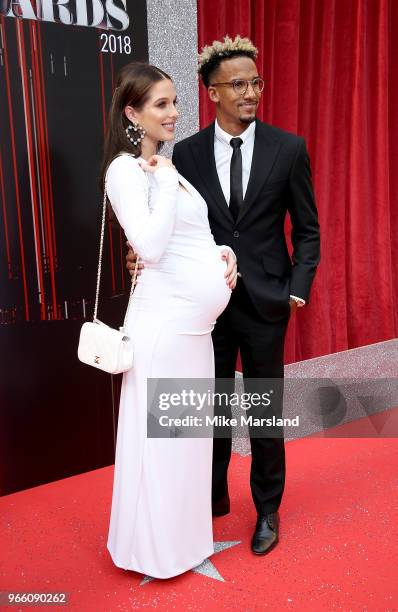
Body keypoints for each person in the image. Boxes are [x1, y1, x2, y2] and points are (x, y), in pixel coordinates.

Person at [128, 36, 320, 556]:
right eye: (239, 84)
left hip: (265, 302)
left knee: (262, 414)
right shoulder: (184, 153)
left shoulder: (288, 148)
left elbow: (307, 229)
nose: (251, 92)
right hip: (202, 307)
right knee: (205, 412)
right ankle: (210, 498)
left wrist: (297, 289)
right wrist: (143, 256)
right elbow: (170, 226)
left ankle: (267, 510)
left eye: (256, 83)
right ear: (212, 92)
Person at [102, 61, 237, 579]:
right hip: (161, 330)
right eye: (161, 104)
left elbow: (193, 235)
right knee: (161, 446)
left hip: (193, 332)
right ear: (132, 113)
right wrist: (157, 178)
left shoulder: (164, 166)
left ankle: (185, 543)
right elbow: (152, 247)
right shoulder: (125, 170)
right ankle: (153, 554)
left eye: (176, 101)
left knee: (188, 441)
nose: (175, 112)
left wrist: (224, 253)